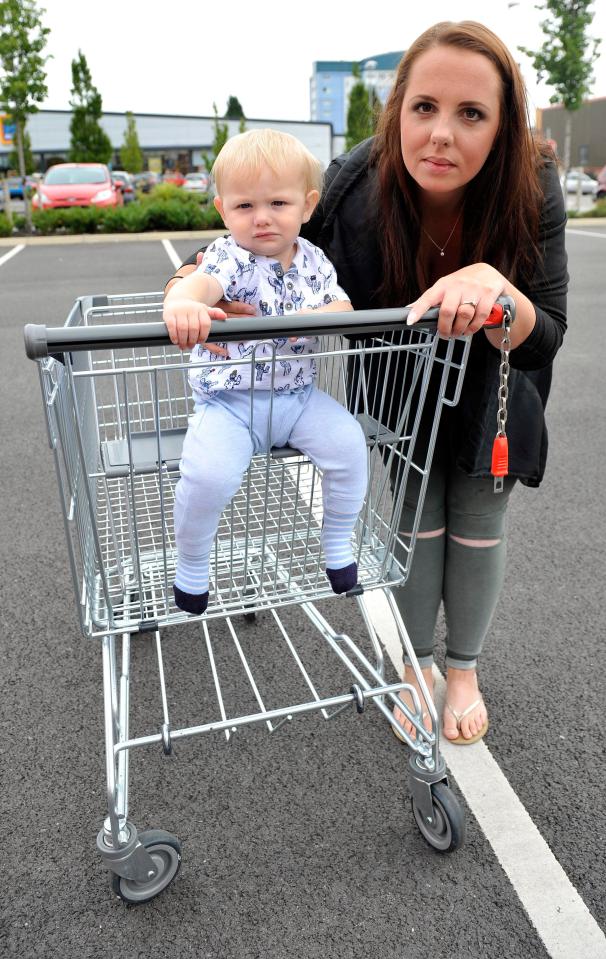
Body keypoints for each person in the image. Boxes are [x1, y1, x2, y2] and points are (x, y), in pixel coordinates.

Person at [166, 21, 568, 743]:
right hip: (399, 384)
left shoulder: (530, 188)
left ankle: (465, 668)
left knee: (480, 520)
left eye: (471, 114)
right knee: (416, 512)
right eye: (424, 108)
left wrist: (498, 288)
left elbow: (549, 331)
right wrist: (189, 282)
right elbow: (258, 236)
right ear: (398, 110)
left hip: (494, 387)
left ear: (503, 126)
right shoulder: (356, 184)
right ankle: (415, 664)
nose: (441, 134)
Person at [163, 128, 368, 616]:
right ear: (222, 211)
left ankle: (338, 541)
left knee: (349, 447)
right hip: (229, 404)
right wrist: (181, 304)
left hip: (297, 398)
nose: (261, 219)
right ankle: (192, 562)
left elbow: (341, 306)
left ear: (307, 204)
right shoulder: (227, 257)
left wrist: (315, 318)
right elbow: (200, 288)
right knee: (207, 477)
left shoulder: (314, 260)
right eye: (244, 207)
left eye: (278, 203)